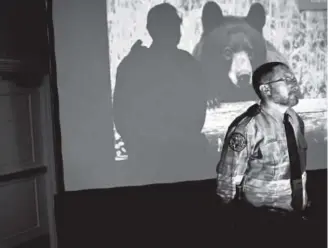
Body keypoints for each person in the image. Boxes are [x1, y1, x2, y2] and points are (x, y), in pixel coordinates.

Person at [113, 3, 213, 181]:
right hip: (177, 159)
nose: (177, 32)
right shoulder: (189, 64)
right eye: (172, 26)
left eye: (176, 26)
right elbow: (198, 116)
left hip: (150, 161)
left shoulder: (132, 64)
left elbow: (121, 117)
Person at [216, 62, 311, 248]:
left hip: (296, 216)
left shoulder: (294, 119)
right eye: (287, 80)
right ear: (266, 89)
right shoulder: (247, 128)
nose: (295, 83)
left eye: (294, 78)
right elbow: (228, 181)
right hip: (261, 224)